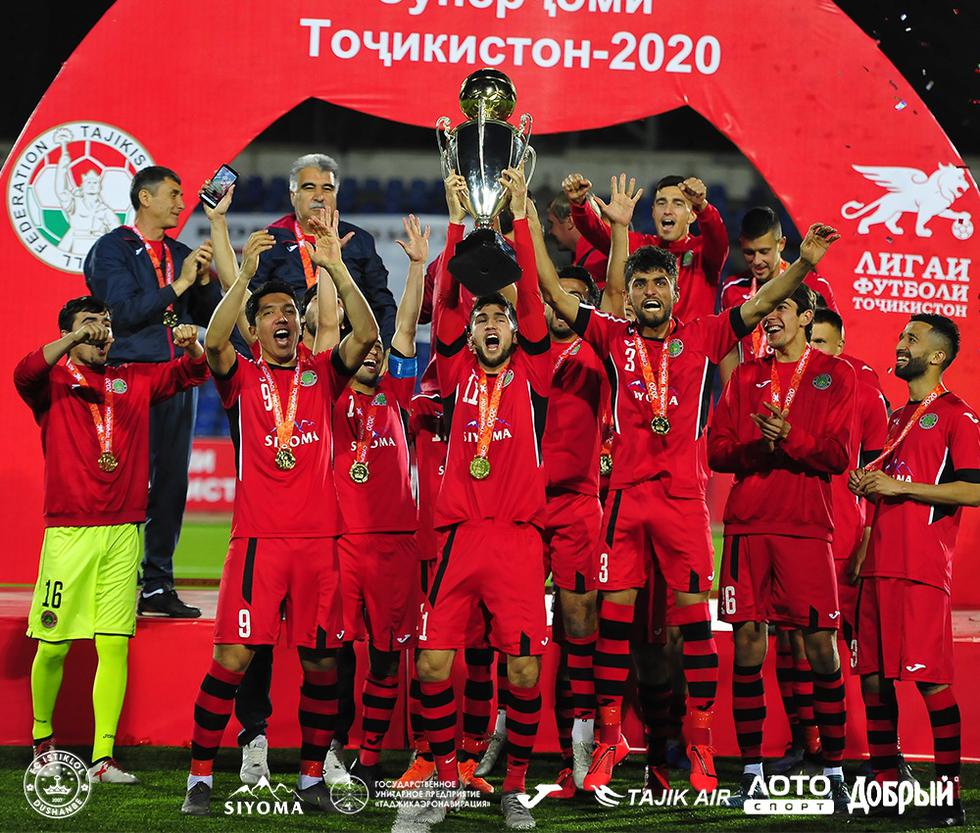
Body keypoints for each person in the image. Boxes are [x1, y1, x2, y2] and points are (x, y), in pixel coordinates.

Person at [180, 209, 379, 816]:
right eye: (271, 313)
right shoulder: (240, 376)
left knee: (323, 663)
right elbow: (213, 341)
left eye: (290, 311)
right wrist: (243, 277)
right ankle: (199, 777)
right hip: (260, 545)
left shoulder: (323, 375)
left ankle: (313, 776)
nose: (284, 319)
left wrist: (337, 269)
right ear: (257, 328)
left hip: (319, 544)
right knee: (232, 659)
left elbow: (366, 336)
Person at [15, 297, 209, 783]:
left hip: (124, 533)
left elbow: (191, 375)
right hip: (70, 534)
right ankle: (43, 744)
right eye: (89, 324)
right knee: (54, 647)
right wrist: (73, 339)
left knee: (114, 646)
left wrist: (194, 347)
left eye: (104, 323)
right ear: (68, 333)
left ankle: (103, 759)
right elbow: (24, 372)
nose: (101, 332)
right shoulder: (54, 383)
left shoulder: (132, 380)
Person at [408, 167, 549, 831]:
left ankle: (514, 784)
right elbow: (445, 304)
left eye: (501, 316)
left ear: (515, 330)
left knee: (522, 671)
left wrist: (519, 213)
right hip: (461, 536)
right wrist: (458, 223)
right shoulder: (457, 369)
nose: (491, 322)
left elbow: (532, 306)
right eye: (482, 315)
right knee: (434, 660)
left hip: (519, 538)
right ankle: (443, 776)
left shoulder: (536, 373)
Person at [708, 282, 855, 811]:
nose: (767, 317)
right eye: (764, 308)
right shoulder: (745, 375)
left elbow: (838, 456)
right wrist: (757, 445)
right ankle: (751, 768)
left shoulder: (836, 374)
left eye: (780, 308)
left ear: (805, 314)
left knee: (820, 647)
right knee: (748, 644)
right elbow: (717, 452)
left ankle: (835, 767)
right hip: (748, 526)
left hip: (806, 527)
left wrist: (789, 436)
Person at [851, 314, 980, 828]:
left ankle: (949, 797)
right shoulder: (896, 415)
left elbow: (973, 489)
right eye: (901, 335)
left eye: (912, 338)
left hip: (921, 568)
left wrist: (902, 489)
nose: (900, 343)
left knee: (929, 683)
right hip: (878, 565)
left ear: (936, 356)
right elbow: (891, 484)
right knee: (876, 684)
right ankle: (887, 787)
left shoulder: (959, 416)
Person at [84, 165, 218, 618]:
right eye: (174, 194)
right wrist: (177, 283)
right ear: (145, 198)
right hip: (126, 376)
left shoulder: (180, 251)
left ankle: (158, 585)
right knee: (120, 479)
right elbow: (119, 314)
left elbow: (205, 311)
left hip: (175, 376)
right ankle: (108, 580)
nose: (183, 204)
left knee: (171, 482)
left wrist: (202, 283)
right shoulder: (112, 250)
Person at [331, 215, 429, 796]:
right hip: (344, 543)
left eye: (377, 349)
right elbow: (327, 326)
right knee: (339, 655)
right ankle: (333, 750)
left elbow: (408, 328)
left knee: (388, 658)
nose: (371, 354)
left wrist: (416, 268)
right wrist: (330, 268)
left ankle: (370, 755)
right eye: (360, 346)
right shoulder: (327, 395)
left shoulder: (399, 390)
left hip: (396, 544)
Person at [249, 153, 397, 345]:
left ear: (336, 194)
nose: (319, 196)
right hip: (288, 349)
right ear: (293, 196)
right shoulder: (270, 240)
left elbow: (382, 302)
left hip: (351, 349)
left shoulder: (358, 240)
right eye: (309, 187)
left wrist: (386, 350)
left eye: (327, 188)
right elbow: (250, 303)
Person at [561, 172, 728, 322]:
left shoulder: (703, 252)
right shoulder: (641, 247)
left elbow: (718, 236)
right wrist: (579, 205)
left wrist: (703, 207)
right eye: (661, 203)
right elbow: (597, 233)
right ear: (653, 211)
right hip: (645, 351)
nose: (667, 211)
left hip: (692, 352)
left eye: (677, 203)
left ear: (692, 215)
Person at [719, 207, 838, 382]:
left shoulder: (814, 285)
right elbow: (728, 350)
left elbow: (830, 342)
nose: (757, 261)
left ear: (781, 244)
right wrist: (733, 399)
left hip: (799, 389)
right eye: (749, 253)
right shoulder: (732, 288)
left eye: (764, 251)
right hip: (750, 391)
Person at [546, 193, 608, 287]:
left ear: (570, 221)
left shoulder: (597, 261)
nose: (550, 232)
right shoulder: (584, 258)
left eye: (552, 224)